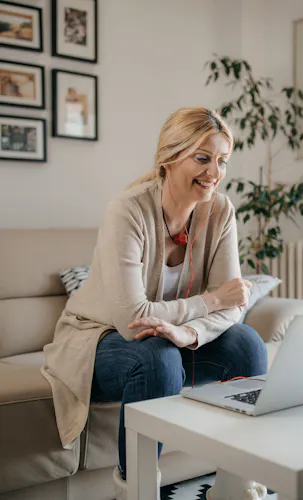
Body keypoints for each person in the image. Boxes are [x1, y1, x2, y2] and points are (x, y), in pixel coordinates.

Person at [41, 107, 268, 500]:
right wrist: (208, 301)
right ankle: (136, 488)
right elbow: (132, 319)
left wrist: (190, 332)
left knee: (246, 343)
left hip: (170, 337)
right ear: (169, 157)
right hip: (98, 340)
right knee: (157, 356)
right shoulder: (127, 211)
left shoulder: (221, 212)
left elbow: (234, 308)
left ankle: (233, 482)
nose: (214, 171)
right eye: (202, 158)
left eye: (221, 161)